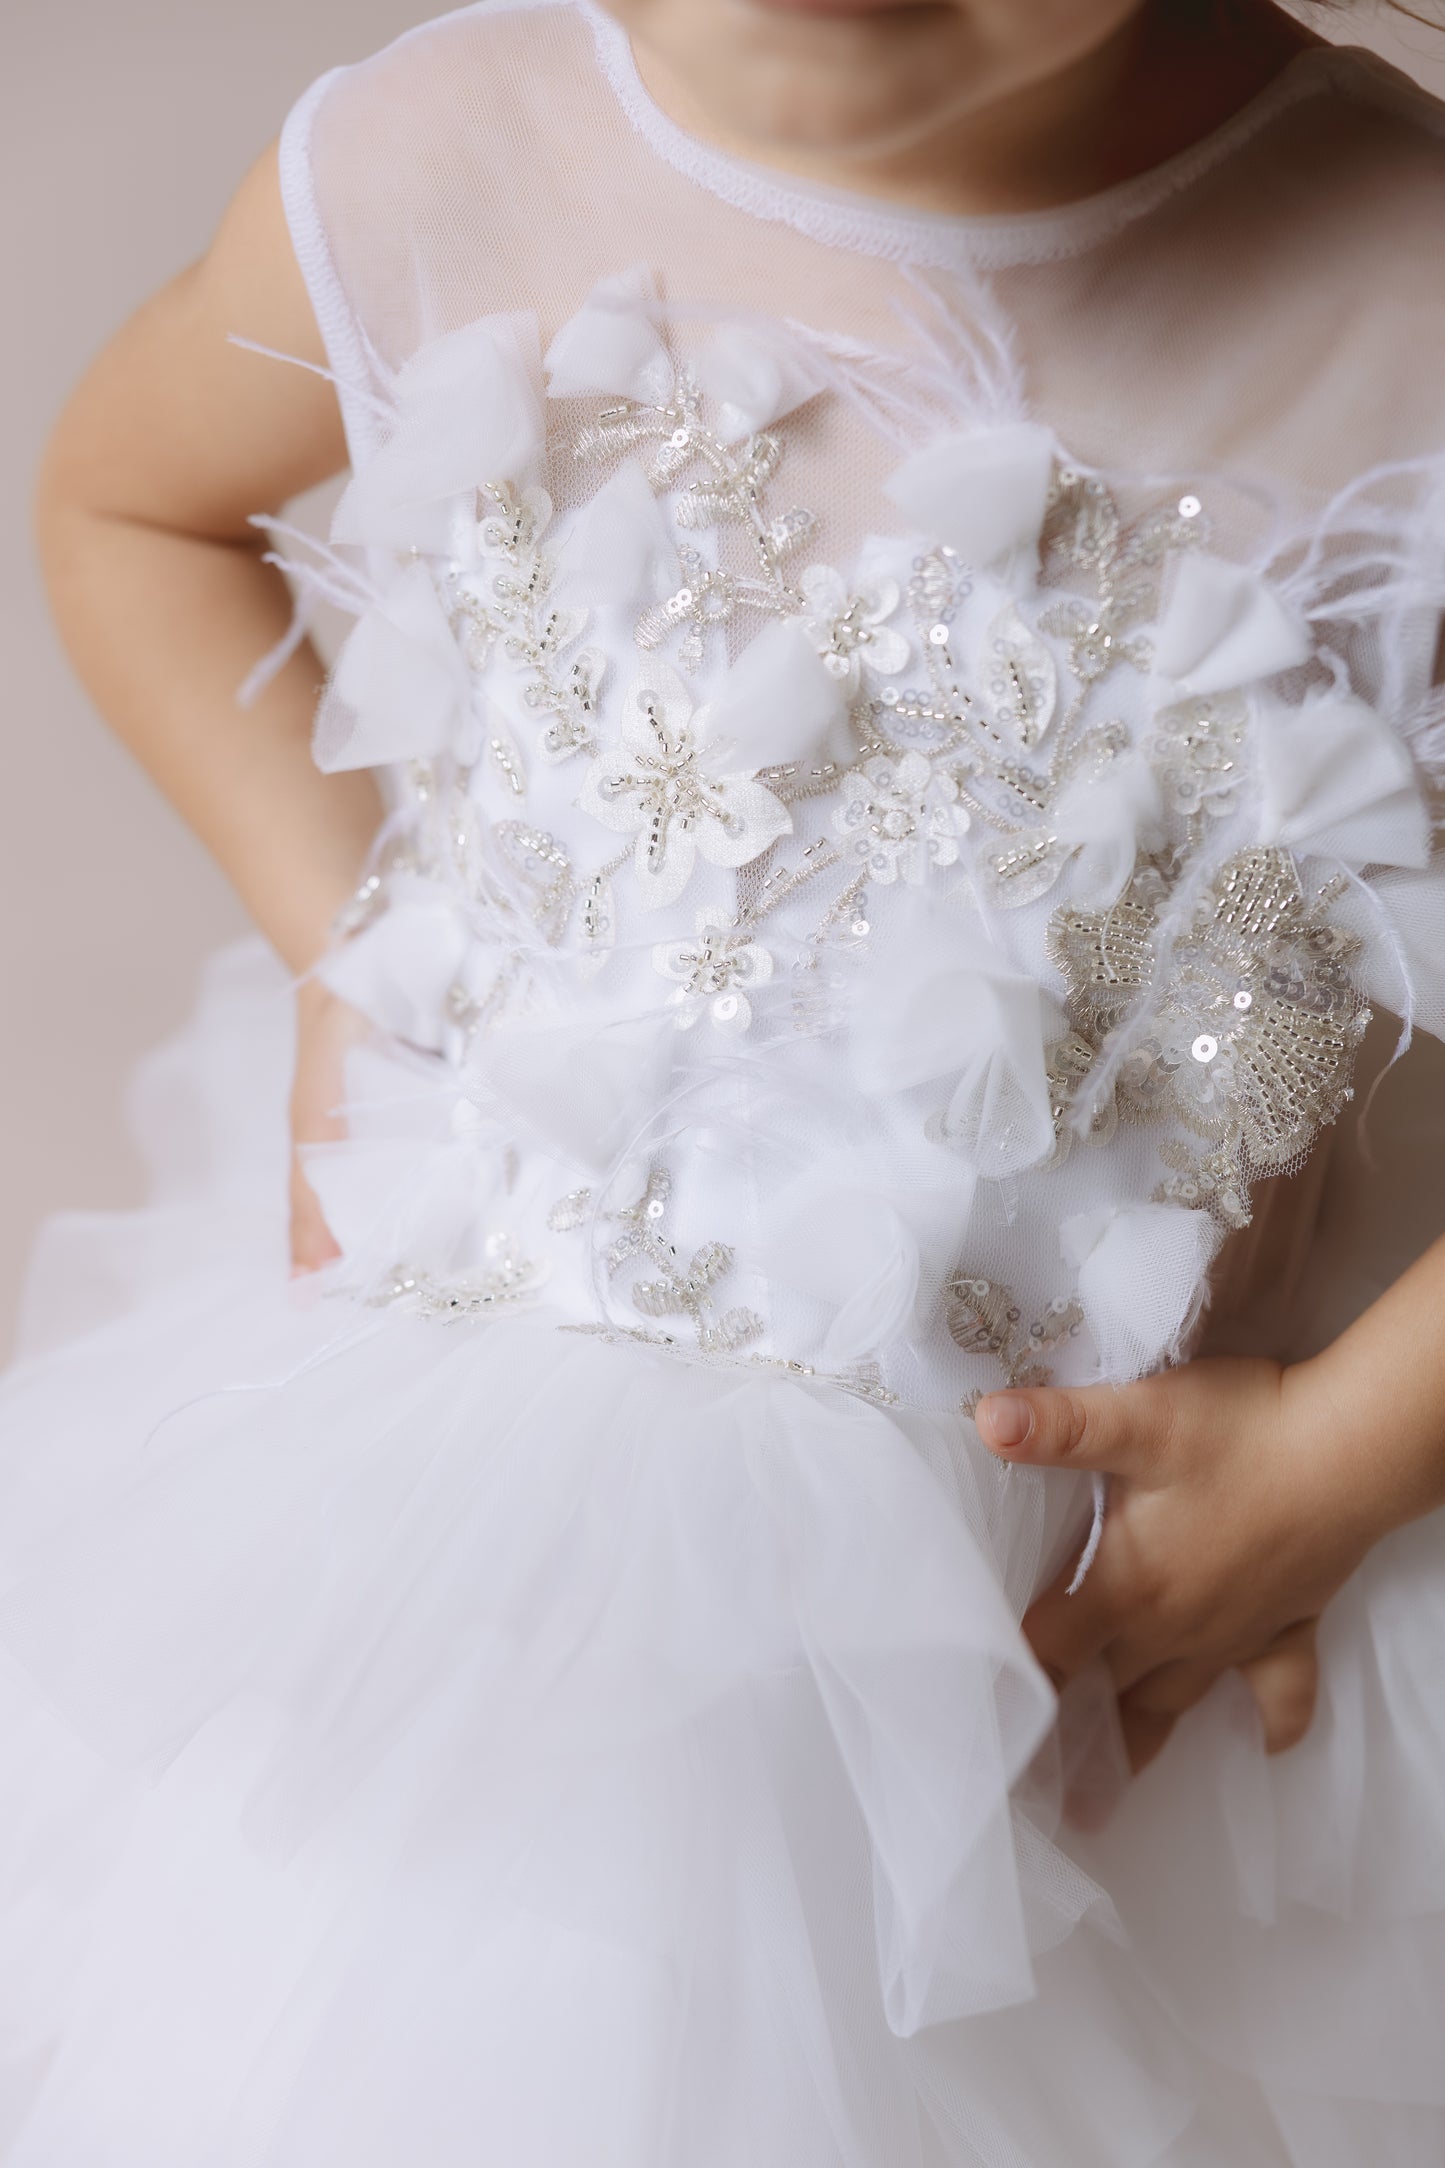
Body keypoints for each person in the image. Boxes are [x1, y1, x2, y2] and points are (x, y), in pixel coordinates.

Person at [5, 0, 1445, 2156]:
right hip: (463, 1506)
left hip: (1119, 1589)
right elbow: (129, 506)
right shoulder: (434, 156)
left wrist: (1336, 1459)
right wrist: (357, 937)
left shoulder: (1408, 285)